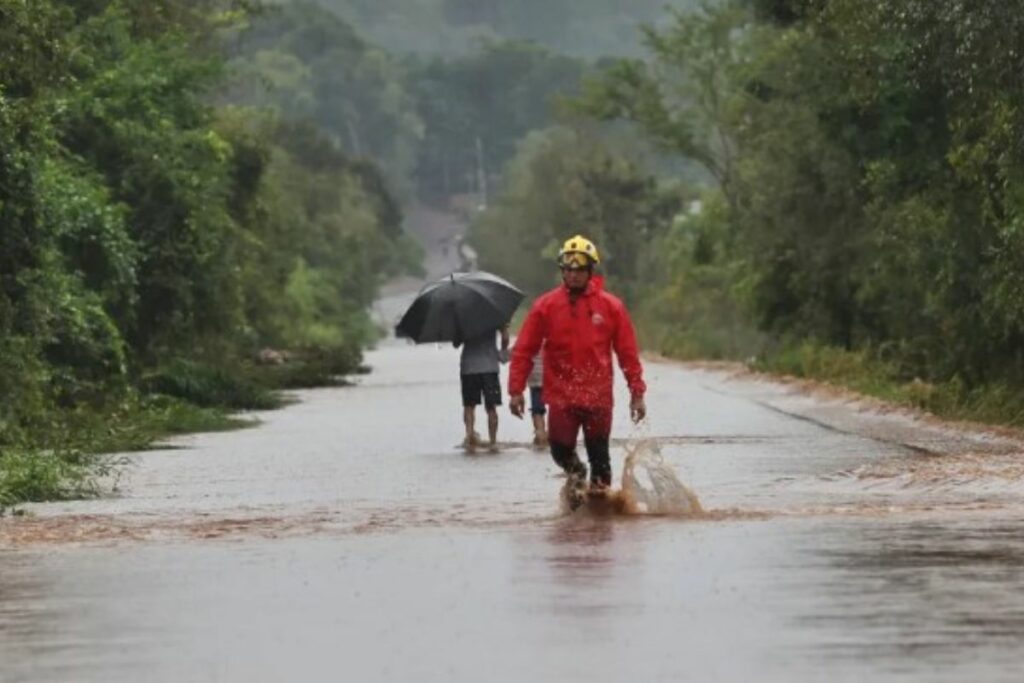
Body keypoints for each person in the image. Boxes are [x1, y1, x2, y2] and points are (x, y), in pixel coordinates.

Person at [508, 235, 647, 507]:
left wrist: (637, 392)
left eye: (579, 269)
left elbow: (628, 354)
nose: (573, 274)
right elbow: (524, 350)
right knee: (559, 448)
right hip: (561, 396)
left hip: (597, 397)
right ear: (562, 270)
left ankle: (599, 522)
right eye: (568, 269)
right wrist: (515, 391)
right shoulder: (545, 307)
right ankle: (576, 474)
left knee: (600, 460)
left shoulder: (611, 307)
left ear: (590, 271)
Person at [455, 325, 510, 453]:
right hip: (489, 366)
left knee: (469, 406)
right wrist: (502, 350)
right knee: (491, 407)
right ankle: (493, 441)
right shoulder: (493, 312)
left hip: (469, 367)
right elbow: (506, 336)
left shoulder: (463, 316)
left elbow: (456, 343)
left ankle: (469, 437)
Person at [527, 353, 547, 448]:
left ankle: (540, 434)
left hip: (534, 375)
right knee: (557, 407)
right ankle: (553, 436)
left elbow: (519, 351)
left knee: (537, 409)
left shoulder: (530, 338)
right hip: (552, 374)